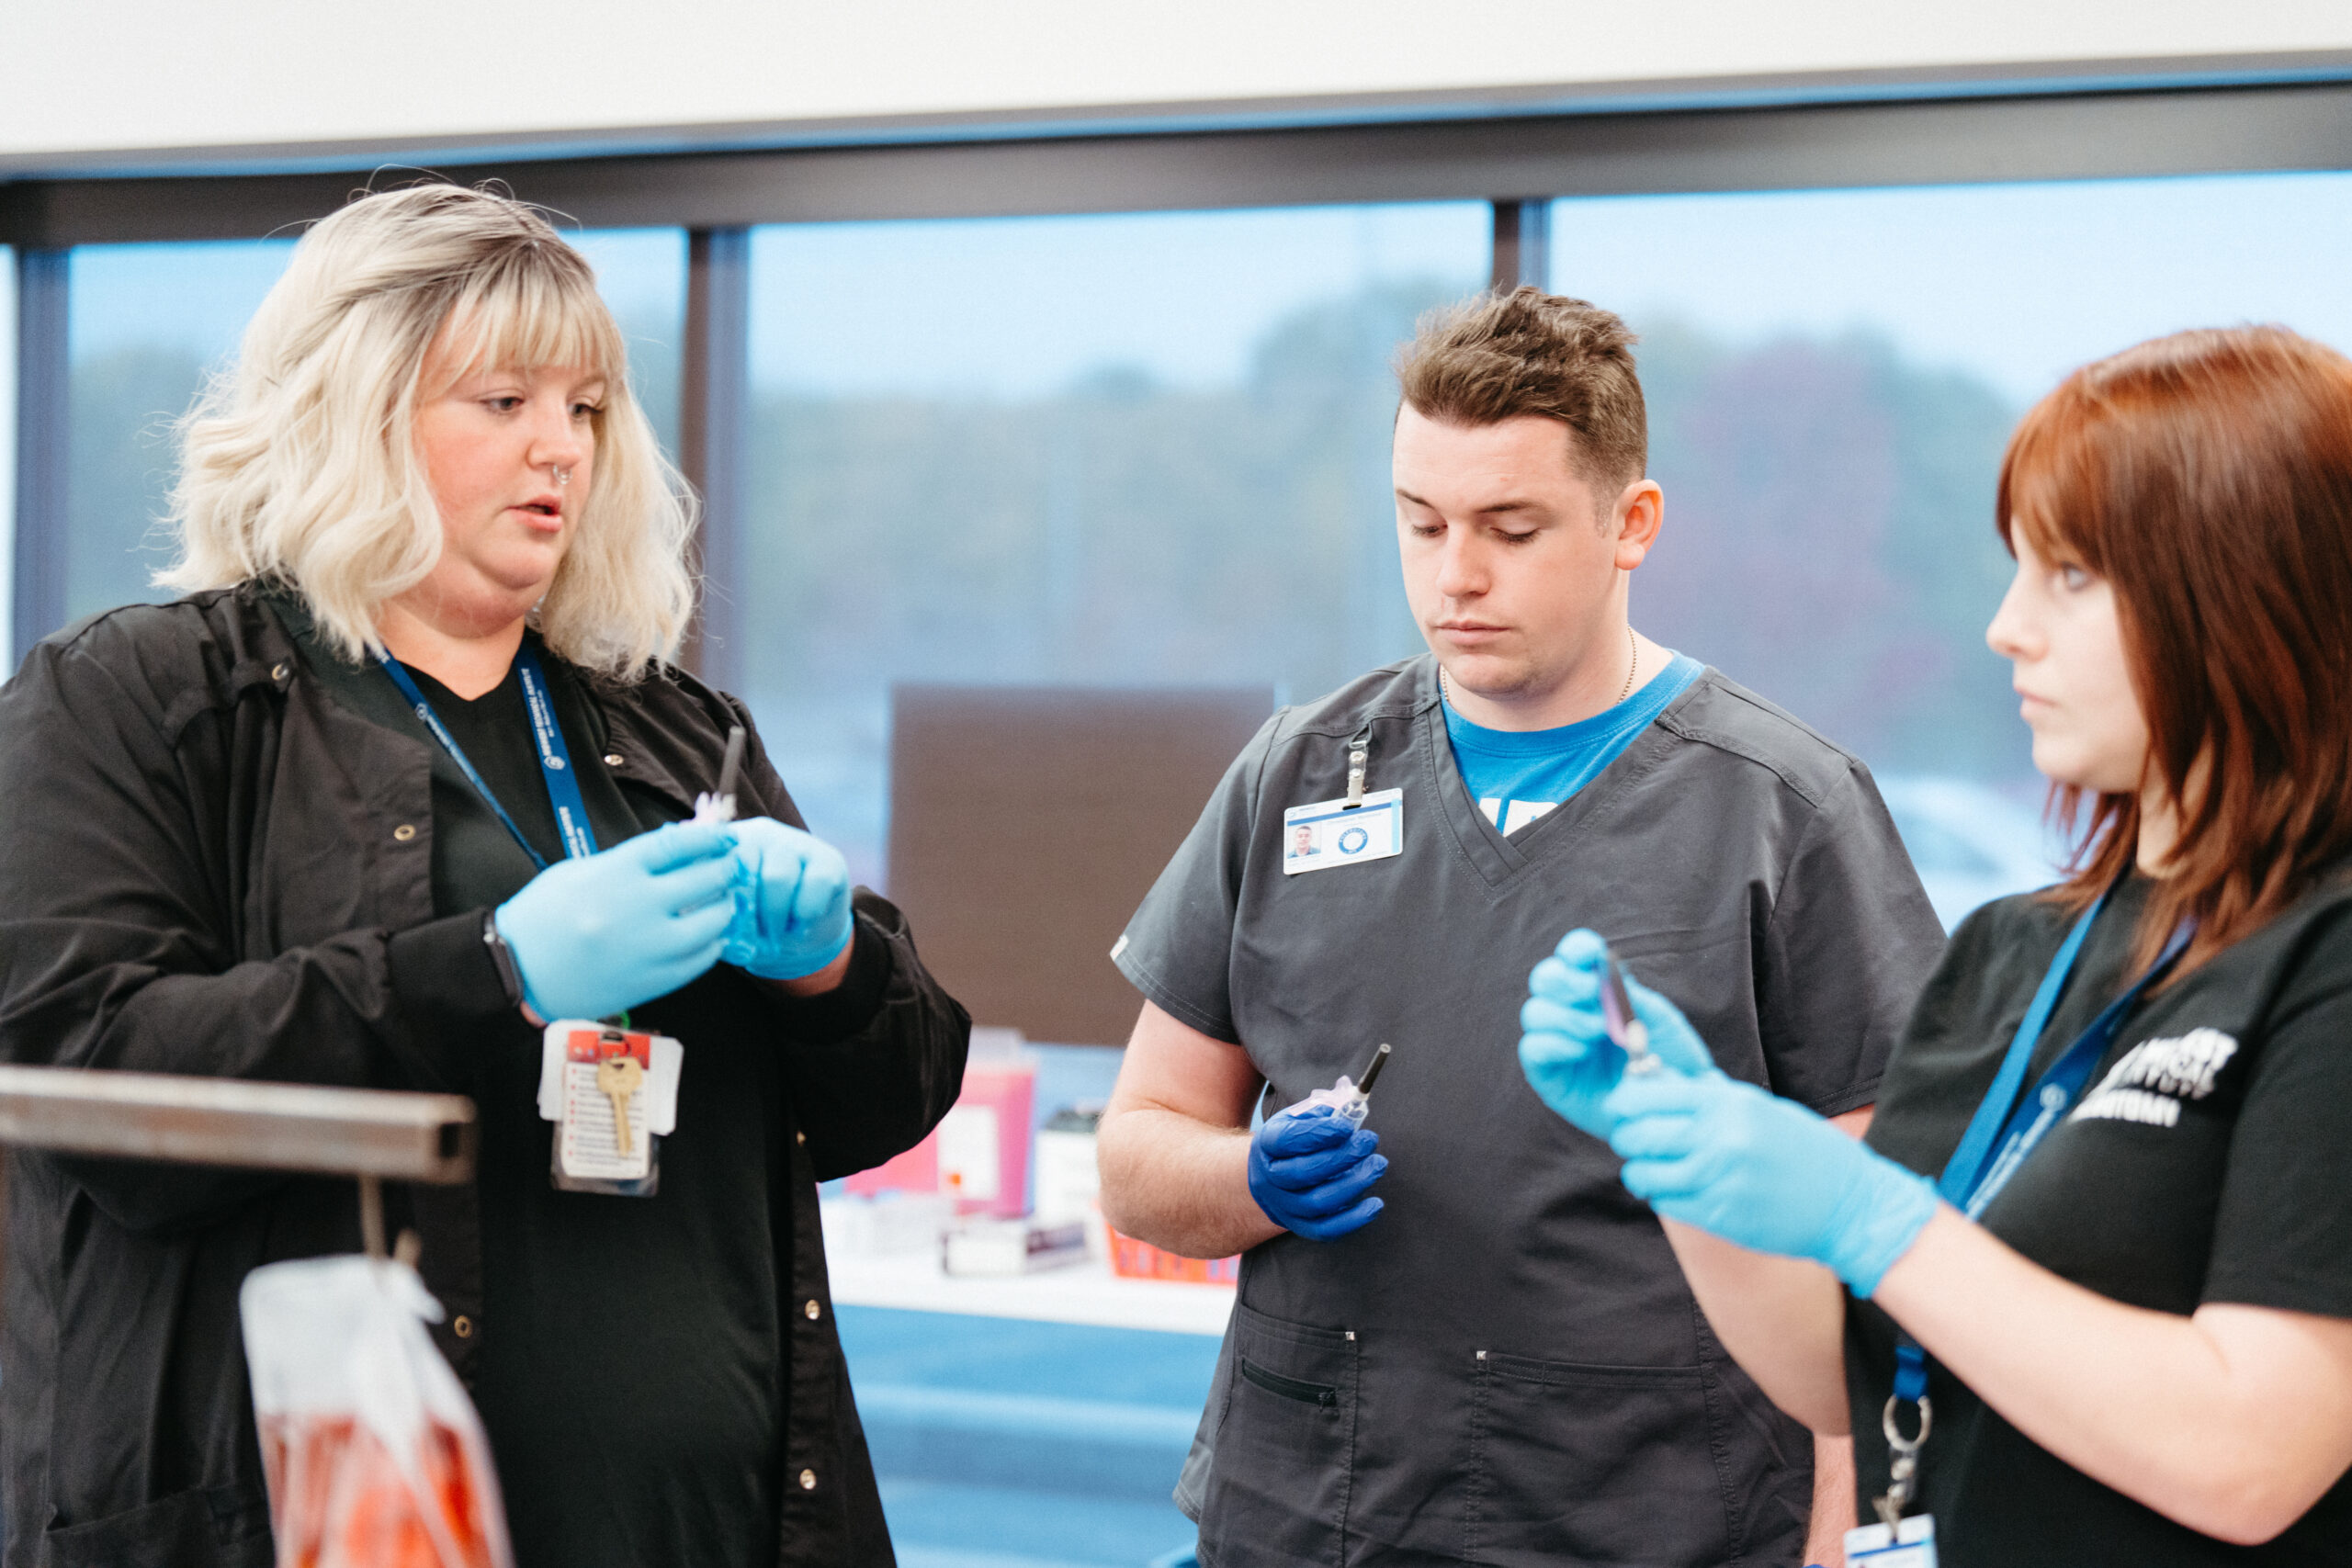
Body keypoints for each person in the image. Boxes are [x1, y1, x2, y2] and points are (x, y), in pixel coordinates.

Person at [0, 184, 969, 1568]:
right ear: (351, 410)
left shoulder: (672, 726)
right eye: (502, 402)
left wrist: (835, 970)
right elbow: (92, 1086)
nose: (559, 451)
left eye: (583, 409)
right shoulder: (136, 699)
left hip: (712, 1524)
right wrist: (494, 975)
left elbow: (885, 1102)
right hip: (315, 1522)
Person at [1096, 288, 1946, 1568]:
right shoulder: (1298, 775)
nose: (1457, 575)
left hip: (1648, 1520)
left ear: (1631, 524)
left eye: (1511, 527)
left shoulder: (1785, 812)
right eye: (1422, 522)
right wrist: (1249, 1180)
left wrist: (1850, 1547)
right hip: (1312, 1512)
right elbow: (1139, 1154)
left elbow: (1892, 1263)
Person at [1524, 325, 2352, 1564]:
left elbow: (2252, 1454)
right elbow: (1842, 1373)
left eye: (2070, 576)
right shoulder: (2014, 954)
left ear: (2242, 593)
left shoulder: (2323, 959)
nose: (2008, 630)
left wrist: (1871, 1218)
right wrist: (1685, 1162)